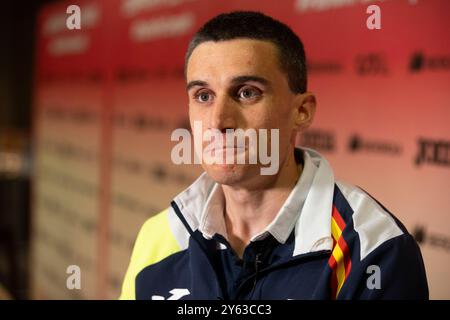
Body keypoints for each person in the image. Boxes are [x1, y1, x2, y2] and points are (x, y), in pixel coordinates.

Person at [120, 11, 428, 300]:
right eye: (203, 96)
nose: (217, 122)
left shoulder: (375, 250)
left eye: (246, 92)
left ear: (301, 111)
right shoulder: (160, 236)